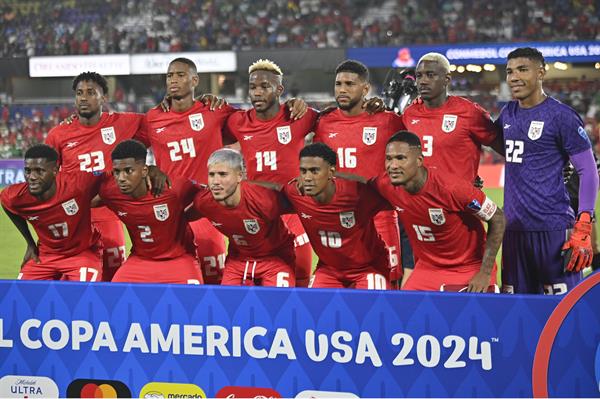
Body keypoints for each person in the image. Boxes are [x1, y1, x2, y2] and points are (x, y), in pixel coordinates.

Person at [143, 57, 307, 284]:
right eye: (170, 75)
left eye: (181, 75)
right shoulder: (152, 118)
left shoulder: (216, 112)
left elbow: (266, 119)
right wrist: (149, 168)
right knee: (176, 279)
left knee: (215, 281)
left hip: (212, 210)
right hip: (173, 211)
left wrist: (294, 103)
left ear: (195, 81)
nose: (174, 80)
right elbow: (128, 149)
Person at [496, 47, 599, 294]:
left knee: (561, 313)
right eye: (509, 72)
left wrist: (584, 222)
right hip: (514, 232)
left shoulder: (561, 116)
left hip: (553, 231)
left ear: (541, 72)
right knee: (516, 311)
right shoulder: (507, 114)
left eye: (522, 69)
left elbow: (588, 170)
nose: (514, 77)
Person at [400, 53, 502, 286]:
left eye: (430, 75)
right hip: (421, 215)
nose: (422, 81)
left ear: (447, 79)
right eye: (419, 76)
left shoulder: (469, 113)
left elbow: (509, 150)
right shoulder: (409, 115)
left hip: (461, 212)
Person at [369, 131, 505, 292]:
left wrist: (484, 272)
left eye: (401, 158)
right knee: (405, 313)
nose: (393, 165)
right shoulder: (386, 185)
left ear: (419, 160)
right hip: (428, 269)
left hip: (468, 268)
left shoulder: (453, 189)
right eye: (389, 159)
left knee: (471, 316)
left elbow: (498, 218)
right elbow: (359, 186)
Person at [225, 59, 318, 287]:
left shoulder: (298, 117)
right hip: (256, 215)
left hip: (293, 214)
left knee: (300, 282)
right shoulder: (237, 122)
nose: (257, 93)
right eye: (253, 87)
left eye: (265, 87)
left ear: (279, 89)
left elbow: (339, 121)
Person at [45, 72, 146, 281]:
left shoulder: (123, 123)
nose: (83, 97)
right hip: (74, 221)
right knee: (72, 285)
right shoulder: (58, 134)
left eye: (91, 92)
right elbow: (48, 181)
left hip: (109, 216)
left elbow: (162, 122)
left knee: (112, 280)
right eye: (79, 93)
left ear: (104, 98)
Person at [313, 59, 405, 287]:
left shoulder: (388, 121)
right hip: (337, 220)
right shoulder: (324, 123)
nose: (342, 89)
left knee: (386, 289)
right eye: (338, 84)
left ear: (365, 89)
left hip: (379, 218)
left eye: (350, 84)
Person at [281, 143, 390, 289]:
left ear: (332, 172)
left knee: (371, 308)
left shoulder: (356, 193)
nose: (307, 178)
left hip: (368, 268)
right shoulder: (295, 193)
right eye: (303, 171)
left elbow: (395, 197)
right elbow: (267, 195)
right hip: (329, 269)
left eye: (314, 171)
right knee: (313, 306)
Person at [99, 140, 203, 284]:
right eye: (117, 172)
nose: (121, 178)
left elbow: (208, 198)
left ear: (144, 171)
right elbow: (83, 199)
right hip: (139, 261)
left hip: (179, 260)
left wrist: (187, 216)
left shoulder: (174, 187)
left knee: (193, 302)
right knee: (117, 298)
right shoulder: (110, 192)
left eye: (129, 171)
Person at [189, 149, 296, 287]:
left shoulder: (263, 199)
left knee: (276, 306)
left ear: (240, 176)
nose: (215, 181)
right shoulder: (204, 202)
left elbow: (303, 206)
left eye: (222, 174)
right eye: (211, 175)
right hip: (238, 260)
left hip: (275, 259)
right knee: (227, 306)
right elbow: (180, 217)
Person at [1, 144, 103, 281]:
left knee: (84, 296)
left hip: (82, 253)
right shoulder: (16, 196)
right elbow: (6, 204)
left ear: (55, 170)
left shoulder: (77, 183)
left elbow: (109, 177)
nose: (32, 177)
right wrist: (30, 243)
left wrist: (98, 200)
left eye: (39, 171)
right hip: (45, 256)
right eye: (28, 170)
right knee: (21, 294)